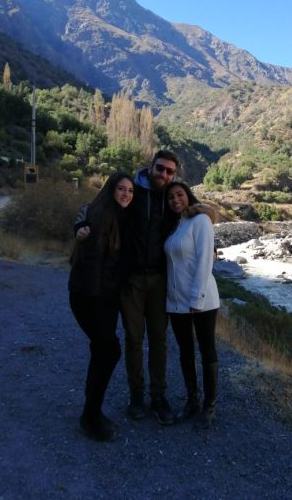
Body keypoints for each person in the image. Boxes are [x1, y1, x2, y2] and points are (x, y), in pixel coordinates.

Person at [68, 171, 134, 442]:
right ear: (110, 190)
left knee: (102, 350)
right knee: (108, 349)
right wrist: (101, 301)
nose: (126, 194)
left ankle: (91, 412)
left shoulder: (118, 215)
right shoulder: (101, 215)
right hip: (90, 296)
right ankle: (90, 416)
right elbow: (94, 264)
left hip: (104, 297)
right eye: (121, 189)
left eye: (130, 190)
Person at [120, 150, 180, 424]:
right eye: (160, 169)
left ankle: (158, 397)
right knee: (134, 339)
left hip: (160, 280)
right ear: (150, 166)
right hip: (131, 279)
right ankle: (136, 395)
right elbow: (99, 207)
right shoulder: (132, 190)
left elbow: (196, 209)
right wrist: (82, 224)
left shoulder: (172, 196)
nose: (164, 175)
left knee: (158, 340)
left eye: (169, 172)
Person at [164, 182, 220, 429]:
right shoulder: (175, 225)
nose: (175, 200)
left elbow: (204, 261)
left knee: (207, 350)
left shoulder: (200, 221)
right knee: (185, 352)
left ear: (188, 196)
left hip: (202, 301)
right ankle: (192, 401)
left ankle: (209, 406)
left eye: (179, 195)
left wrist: (196, 299)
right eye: (170, 197)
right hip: (176, 303)